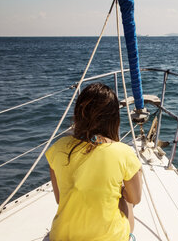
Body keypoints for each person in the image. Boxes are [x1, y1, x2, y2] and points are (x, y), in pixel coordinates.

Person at [45, 83, 142, 241]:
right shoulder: (124, 153)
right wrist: (123, 191)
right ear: (114, 118)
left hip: (61, 237)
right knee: (125, 199)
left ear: (78, 114)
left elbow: (59, 199)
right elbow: (135, 198)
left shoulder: (57, 148)